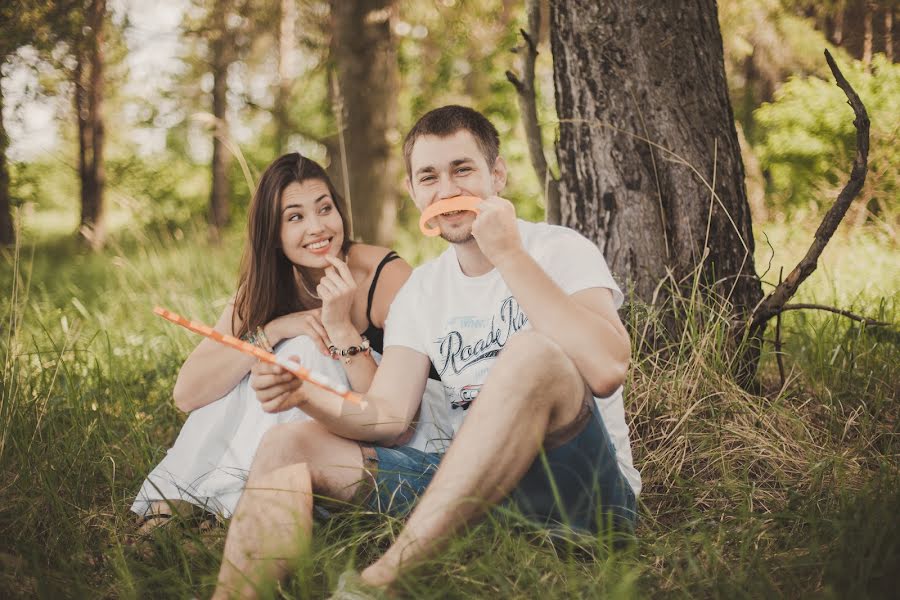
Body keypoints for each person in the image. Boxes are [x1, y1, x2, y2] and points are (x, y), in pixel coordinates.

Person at [212, 105, 641, 599]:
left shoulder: (558, 249)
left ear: (497, 175)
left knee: (531, 354)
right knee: (287, 444)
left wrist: (508, 254)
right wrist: (302, 395)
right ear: (415, 193)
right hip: (473, 494)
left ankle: (382, 581)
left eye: (463, 170)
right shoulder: (422, 291)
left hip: (580, 496)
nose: (447, 190)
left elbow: (607, 368)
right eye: (429, 177)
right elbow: (389, 416)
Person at [131, 153, 445, 531]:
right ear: (273, 235)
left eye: (324, 209)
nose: (317, 228)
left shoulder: (383, 275)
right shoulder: (267, 285)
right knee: (247, 362)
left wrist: (341, 328)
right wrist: (275, 330)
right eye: (295, 217)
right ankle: (175, 500)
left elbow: (395, 416)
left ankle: (233, 506)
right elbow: (190, 393)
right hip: (318, 426)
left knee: (302, 351)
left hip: (406, 435)